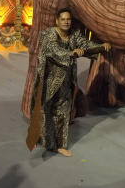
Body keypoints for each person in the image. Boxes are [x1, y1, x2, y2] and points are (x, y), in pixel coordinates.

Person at [29, 9, 110, 156]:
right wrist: (71, 53)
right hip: (48, 79)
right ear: (57, 21)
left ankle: (60, 145)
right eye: (63, 19)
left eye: (68, 20)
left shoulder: (73, 34)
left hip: (66, 80)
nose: (66, 22)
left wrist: (100, 46)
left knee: (63, 111)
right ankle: (38, 137)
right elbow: (54, 50)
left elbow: (85, 44)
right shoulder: (48, 35)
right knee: (43, 109)